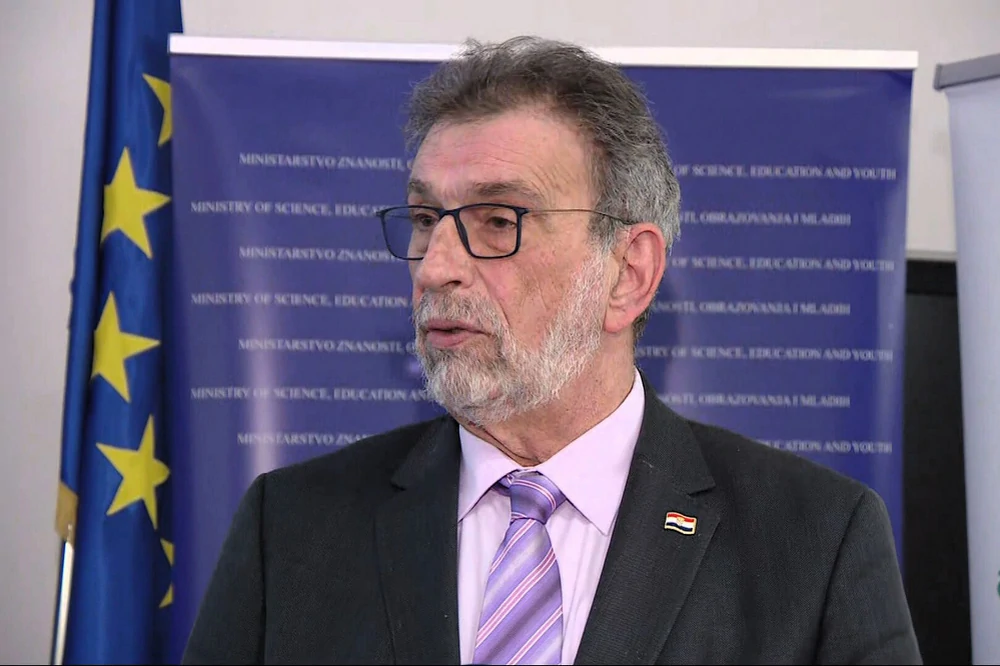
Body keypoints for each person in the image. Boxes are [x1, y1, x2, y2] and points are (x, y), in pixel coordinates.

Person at [182, 36, 922, 665]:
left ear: (627, 273)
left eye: (497, 220)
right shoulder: (293, 530)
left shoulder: (814, 543)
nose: (436, 266)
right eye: (424, 218)